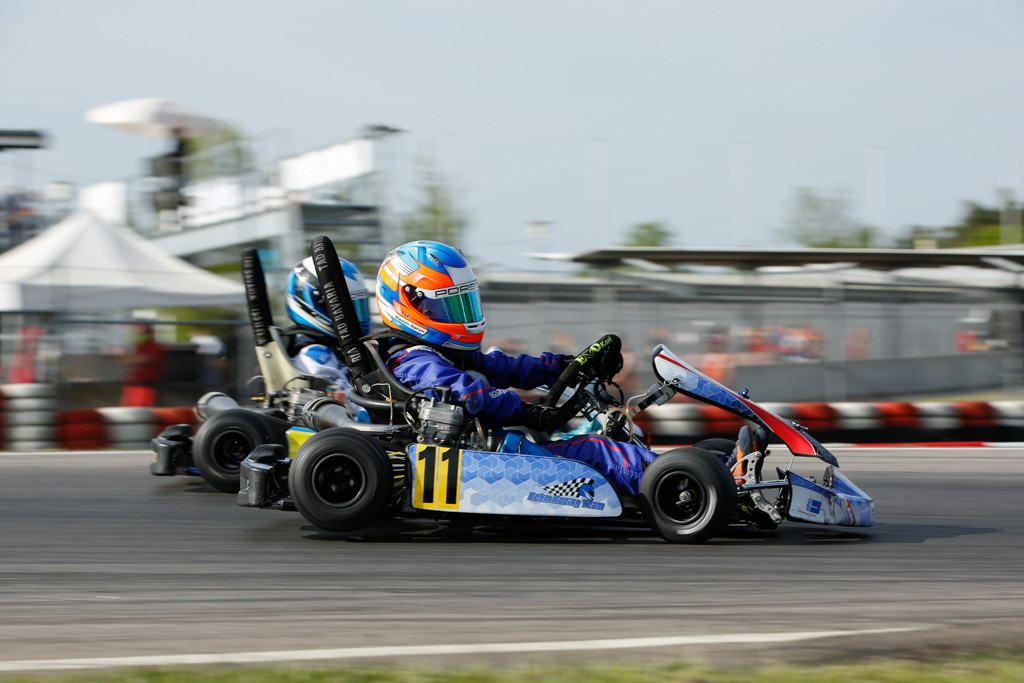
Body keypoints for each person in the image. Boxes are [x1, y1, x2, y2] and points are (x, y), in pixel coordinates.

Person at [375, 240, 658, 495]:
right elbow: (468, 394)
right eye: (446, 304)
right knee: (595, 452)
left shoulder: (446, 354)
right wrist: (527, 411)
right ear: (408, 304)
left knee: (587, 438)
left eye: (462, 302)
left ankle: (664, 476)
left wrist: (560, 366)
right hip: (482, 458)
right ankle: (668, 480)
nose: (458, 313)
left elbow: (506, 367)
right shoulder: (414, 360)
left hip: (491, 452)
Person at [284, 255, 373, 420]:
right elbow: (354, 408)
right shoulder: (313, 355)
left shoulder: (333, 349)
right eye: (347, 309)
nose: (354, 316)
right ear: (319, 305)